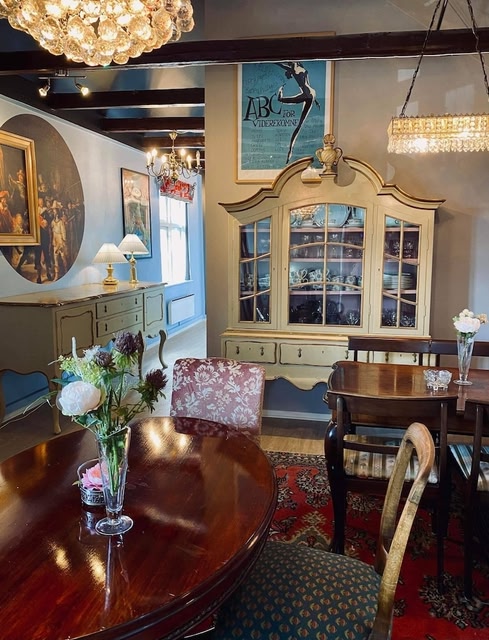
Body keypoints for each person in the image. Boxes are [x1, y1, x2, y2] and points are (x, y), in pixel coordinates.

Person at [276, 61, 320, 164]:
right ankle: (290, 151)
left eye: (288, 75)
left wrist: (273, 61)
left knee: (280, 100)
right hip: (312, 94)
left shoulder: (293, 69)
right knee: (299, 125)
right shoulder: (302, 69)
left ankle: (290, 151)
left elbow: (281, 65)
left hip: (307, 95)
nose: (289, 76)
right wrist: (316, 100)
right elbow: (308, 84)